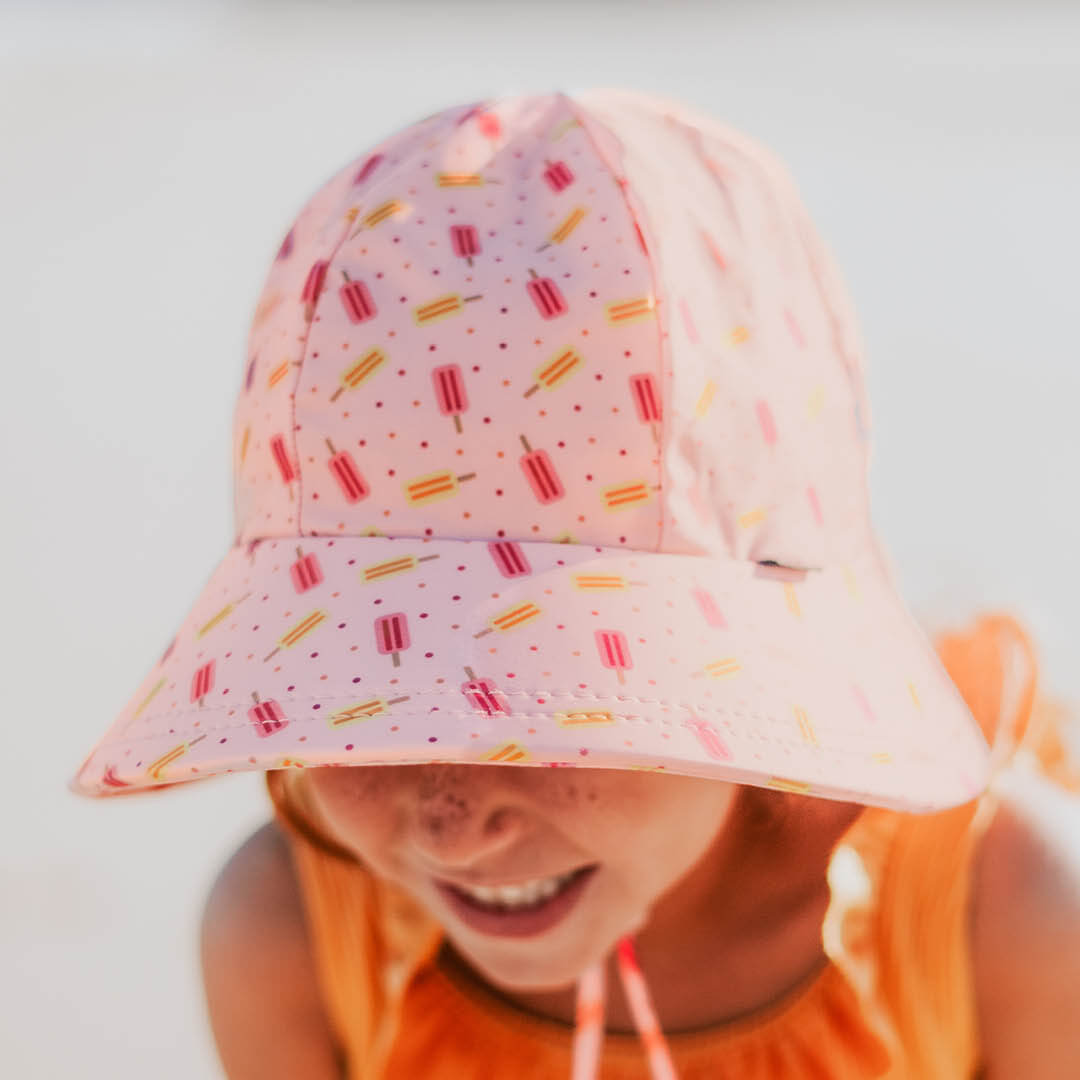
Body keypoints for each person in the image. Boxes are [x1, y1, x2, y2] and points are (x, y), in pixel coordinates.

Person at [68, 89, 1080, 1079]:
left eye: (552, 700)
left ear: (761, 680)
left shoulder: (1002, 921)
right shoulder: (289, 936)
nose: (452, 819)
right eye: (367, 701)